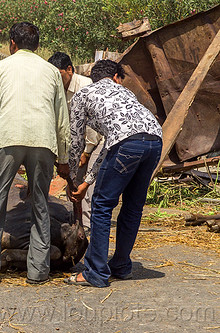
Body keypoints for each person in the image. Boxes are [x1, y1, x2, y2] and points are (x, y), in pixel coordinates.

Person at [0, 22, 70, 285]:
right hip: (43, 140)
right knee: (40, 205)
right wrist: (63, 159)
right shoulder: (51, 71)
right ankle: (38, 272)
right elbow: (62, 118)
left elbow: (0, 105)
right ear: (37, 46)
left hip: (8, 139)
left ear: (12, 44)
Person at [64, 60, 163, 288]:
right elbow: (112, 144)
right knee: (132, 207)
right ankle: (120, 266)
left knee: (102, 206)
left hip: (127, 143)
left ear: (92, 78)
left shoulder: (83, 94)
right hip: (154, 141)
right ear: (116, 77)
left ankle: (96, 273)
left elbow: (76, 143)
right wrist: (87, 182)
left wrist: (71, 177)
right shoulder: (125, 93)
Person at [48, 52, 103, 231]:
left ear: (69, 70)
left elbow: (93, 126)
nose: (55, 80)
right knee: (72, 182)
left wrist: (86, 152)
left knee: (88, 184)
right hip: (75, 142)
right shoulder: (55, 88)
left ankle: (86, 227)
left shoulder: (86, 87)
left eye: (59, 75)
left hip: (96, 140)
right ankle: (75, 221)